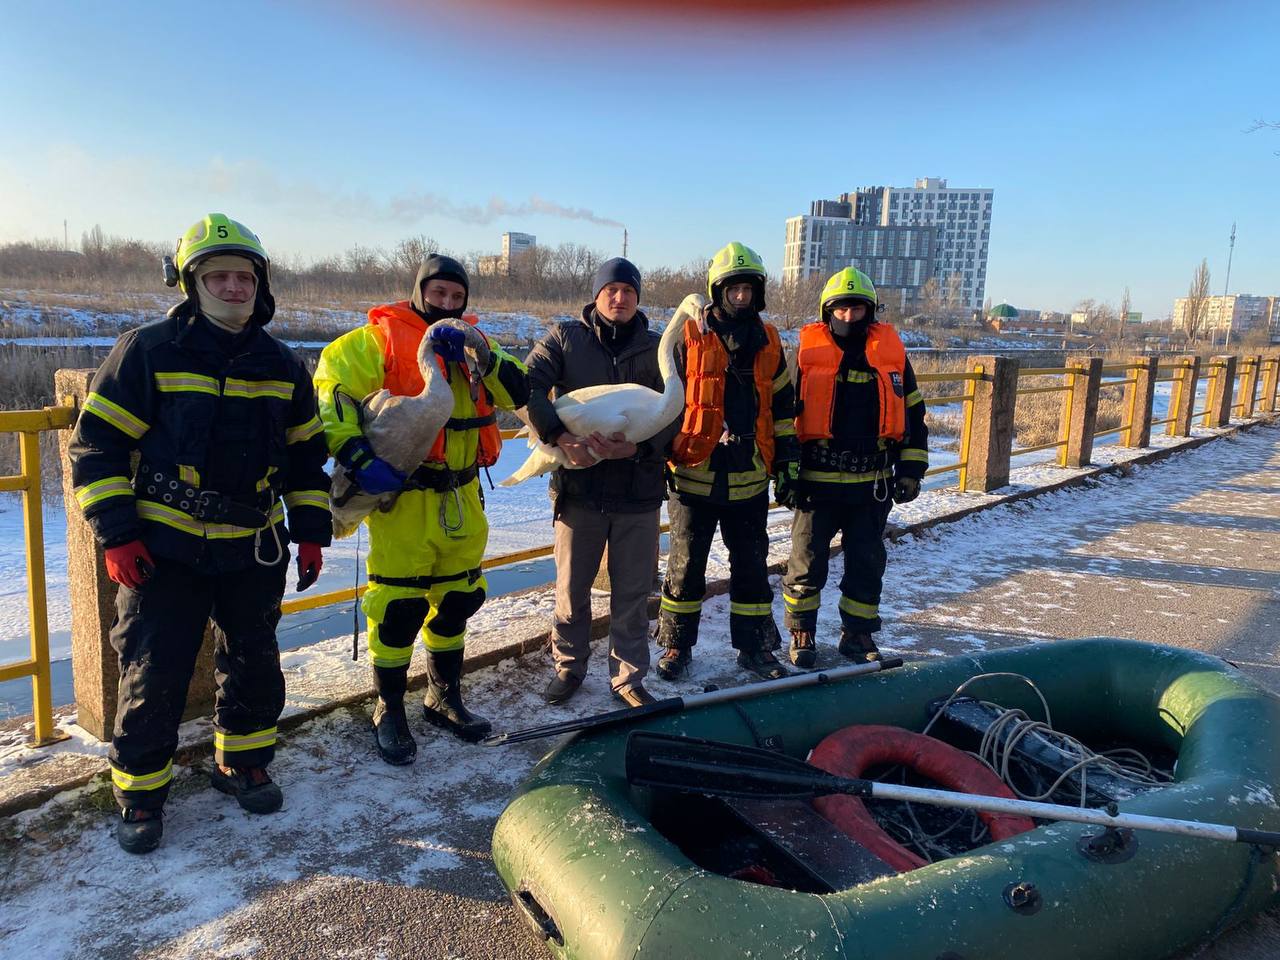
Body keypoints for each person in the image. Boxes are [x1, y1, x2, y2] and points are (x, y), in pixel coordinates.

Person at [68, 214, 332, 854]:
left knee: (254, 658)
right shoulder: (149, 350)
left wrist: (311, 530)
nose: (235, 287)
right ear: (190, 281)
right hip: (166, 547)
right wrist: (117, 535)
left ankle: (240, 763)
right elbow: (95, 448)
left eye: (245, 276)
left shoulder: (282, 364)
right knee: (153, 669)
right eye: (220, 276)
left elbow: (305, 457)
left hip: (254, 546)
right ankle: (140, 793)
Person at [314, 255, 528, 763]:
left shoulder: (477, 344)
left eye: (457, 298)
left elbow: (519, 390)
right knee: (398, 609)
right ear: (419, 291)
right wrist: (356, 455)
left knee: (459, 598)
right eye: (438, 295)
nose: (447, 305)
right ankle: (389, 709)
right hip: (402, 499)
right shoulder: (375, 340)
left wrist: (487, 358)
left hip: (463, 496)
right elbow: (332, 393)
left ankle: (444, 697)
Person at [525, 257, 682, 708]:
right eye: (611, 289)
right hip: (580, 492)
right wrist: (558, 435)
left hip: (639, 491)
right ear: (596, 294)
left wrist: (638, 451)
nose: (620, 298)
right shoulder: (563, 339)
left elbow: (675, 418)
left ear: (638, 298)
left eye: (629, 291)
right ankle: (569, 666)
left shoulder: (659, 349)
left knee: (632, 592)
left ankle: (628, 678)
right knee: (572, 589)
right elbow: (527, 386)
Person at [656, 242, 797, 681]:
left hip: (749, 477)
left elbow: (785, 411)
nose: (740, 297)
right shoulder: (687, 336)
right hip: (693, 476)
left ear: (759, 293)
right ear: (717, 291)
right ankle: (677, 646)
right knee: (685, 566)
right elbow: (665, 405)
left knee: (753, 568)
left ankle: (754, 648)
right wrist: (660, 458)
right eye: (732, 289)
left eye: (747, 290)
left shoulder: (770, 341)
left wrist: (789, 467)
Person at [779, 267, 928, 667]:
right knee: (806, 561)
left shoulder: (892, 358)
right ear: (827, 311)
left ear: (870, 312)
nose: (849, 316)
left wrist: (912, 469)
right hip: (817, 482)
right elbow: (781, 417)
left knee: (866, 563)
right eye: (841, 309)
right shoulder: (805, 356)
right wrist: (787, 471)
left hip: (872, 485)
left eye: (857, 309)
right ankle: (802, 631)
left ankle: (857, 634)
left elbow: (913, 414)